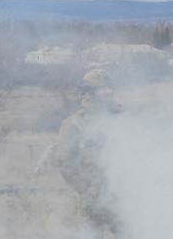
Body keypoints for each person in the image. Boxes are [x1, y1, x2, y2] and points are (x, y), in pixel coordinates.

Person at [53, 68, 124, 238]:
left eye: (109, 87)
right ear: (89, 93)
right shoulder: (75, 124)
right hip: (94, 200)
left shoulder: (119, 117)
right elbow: (64, 162)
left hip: (123, 197)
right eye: (102, 88)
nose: (108, 91)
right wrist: (88, 189)